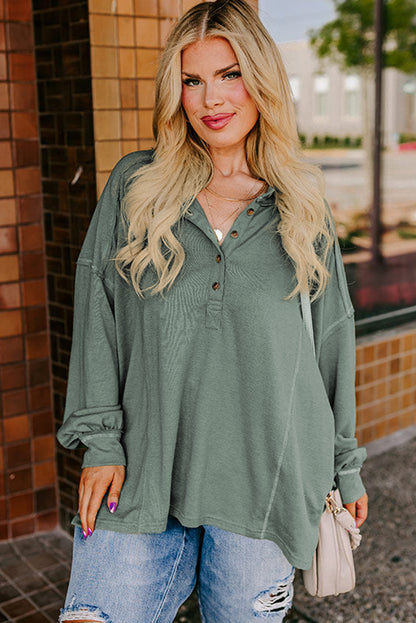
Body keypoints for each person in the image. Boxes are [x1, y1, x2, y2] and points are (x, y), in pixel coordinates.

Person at [57, 1, 368, 621]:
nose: (210, 99)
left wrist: (346, 467)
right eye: (191, 81)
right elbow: (98, 317)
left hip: (267, 479)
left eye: (230, 75)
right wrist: (101, 443)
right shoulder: (136, 185)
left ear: (262, 80)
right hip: (142, 473)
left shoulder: (301, 201)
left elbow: (331, 343)